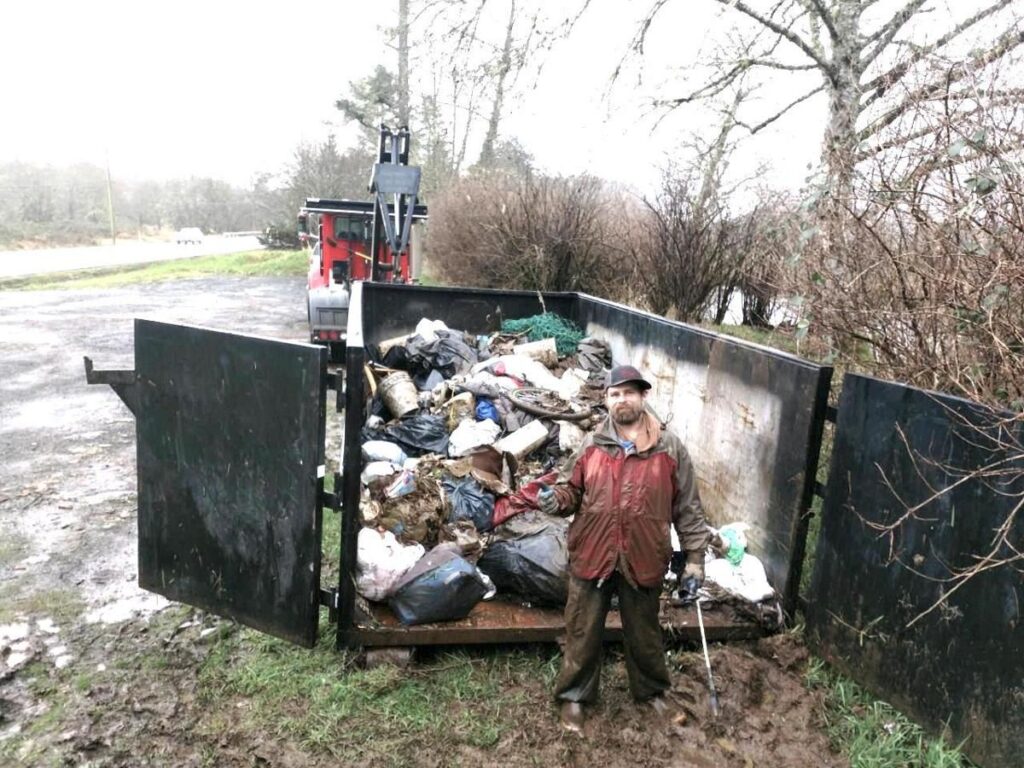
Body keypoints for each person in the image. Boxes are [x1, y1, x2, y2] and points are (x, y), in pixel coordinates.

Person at [538, 364, 709, 733]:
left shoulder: (669, 447)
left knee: (644, 630)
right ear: (607, 400)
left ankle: (651, 693)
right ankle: (574, 697)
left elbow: (689, 508)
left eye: (629, 392)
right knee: (582, 628)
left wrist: (695, 560)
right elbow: (571, 489)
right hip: (593, 552)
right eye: (615, 394)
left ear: (643, 396)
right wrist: (557, 500)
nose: (622, 400)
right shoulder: (592, 444)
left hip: (644, 553)